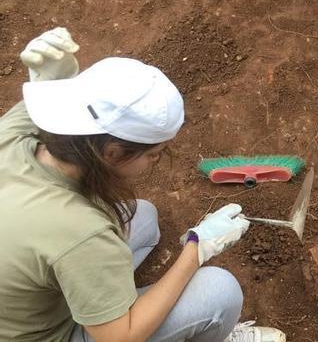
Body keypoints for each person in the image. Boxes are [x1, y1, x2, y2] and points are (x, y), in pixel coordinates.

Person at [0, 28, 285, 342]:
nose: (154, 161)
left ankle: (92, 294)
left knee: (143, 218)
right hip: (45, 334)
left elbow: (49, 110)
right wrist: (197, 247)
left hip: (24, 296)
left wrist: (56, 82)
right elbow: (120, 336)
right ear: (111, 152)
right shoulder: (81, 233)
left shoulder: (13, 136)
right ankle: (210, 330)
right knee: (219, 292)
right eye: (154, 153)